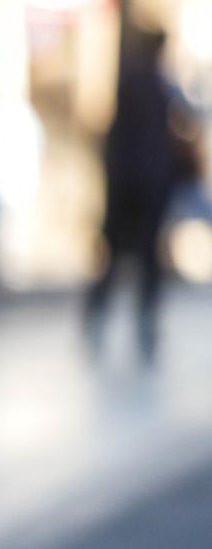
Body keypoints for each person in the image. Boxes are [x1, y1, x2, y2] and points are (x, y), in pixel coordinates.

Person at [84, 27, 202, 363]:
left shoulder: (145, 87)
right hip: (145, 188)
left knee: (123, 258)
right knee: (133, 258)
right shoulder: (156, 89)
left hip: (136, 187)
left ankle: (125, 320)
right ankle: (135, 322)